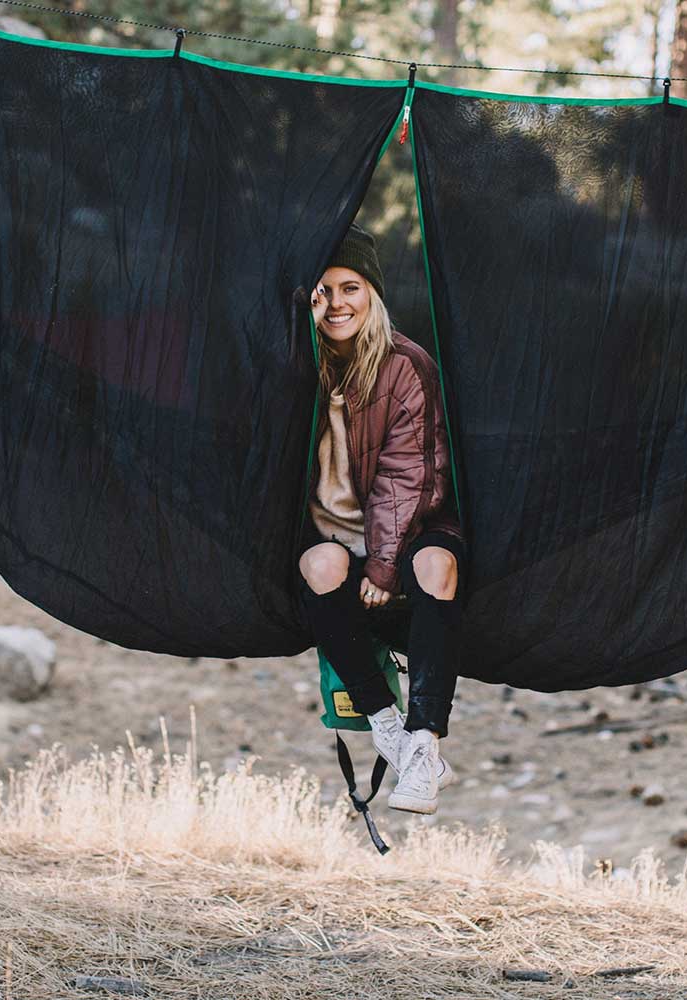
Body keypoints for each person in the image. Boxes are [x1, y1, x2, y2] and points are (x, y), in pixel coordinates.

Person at [295, 221, 468, 815]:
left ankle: (423, 742)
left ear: (372, 293)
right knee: (318, 566)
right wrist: (306, 330)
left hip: (413, 526)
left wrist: (387, 564)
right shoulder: (299, 363)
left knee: (438, 568)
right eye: (325, 291)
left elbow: (407, 475)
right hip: (335, 536)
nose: (339, 303)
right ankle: (386, 723)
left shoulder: (404, 365)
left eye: (351, 288)